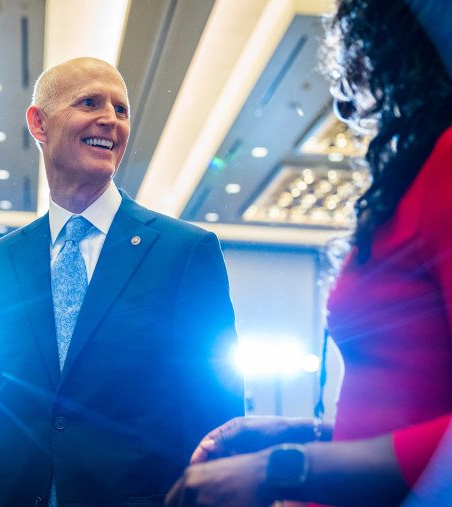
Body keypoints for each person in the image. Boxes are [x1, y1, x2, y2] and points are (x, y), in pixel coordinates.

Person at [164, 0, 452, 505]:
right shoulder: (422, 170)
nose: (345, 100)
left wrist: (283, 469)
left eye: (356, 48)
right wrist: (309, 434)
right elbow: (415, 405)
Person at [0, 56, 243, 507]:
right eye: (90, 102)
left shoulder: (185, 253)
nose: (110, 120)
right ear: (39, 123)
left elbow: (214, 410)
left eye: (121, 109)